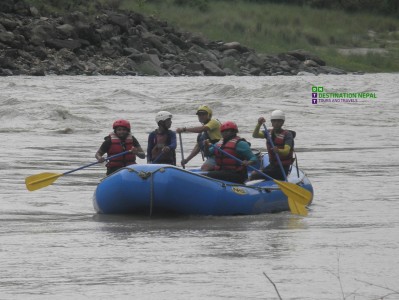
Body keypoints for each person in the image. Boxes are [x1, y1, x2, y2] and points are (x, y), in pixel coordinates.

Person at [250, 110, 294, 181]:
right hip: (273, 165)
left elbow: (286, 151)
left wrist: (278, 151)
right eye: (274, 121)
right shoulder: (269, 133)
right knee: (257, 173)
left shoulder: (288, 135)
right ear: (271, 122)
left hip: (282, 168)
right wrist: (259, 124)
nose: (276, 123)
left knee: (254, 174)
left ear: (282, 122)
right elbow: (255, 135)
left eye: (279, 121)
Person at [176, 105, 222, 171]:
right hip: (210, 156)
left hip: (218, 155)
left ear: (209, 115)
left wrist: (184, 129)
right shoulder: (202, 134)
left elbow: (202, 129)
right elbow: (198, 147)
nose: (201, 116)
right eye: (199, 115)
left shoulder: (214, 122)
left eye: (203, 114)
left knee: (204, 168)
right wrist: (187, 160)